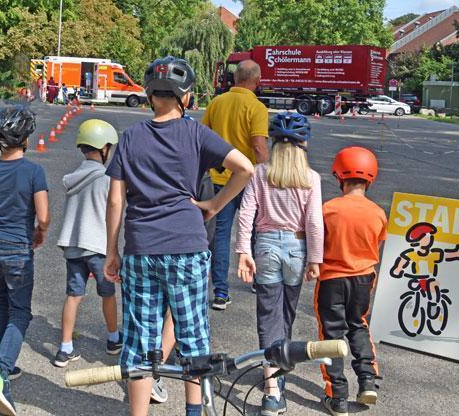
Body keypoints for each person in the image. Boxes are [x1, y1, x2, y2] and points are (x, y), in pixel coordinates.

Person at [104, 56, 254, 416]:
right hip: (187, 246)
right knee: (193, 336)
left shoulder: (130, 137)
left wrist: (112, 250)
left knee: (140, 340)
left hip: (142, 248)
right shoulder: (196, 133)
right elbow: (246, 168)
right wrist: (215, 205)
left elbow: (115, 199)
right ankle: (193, 412)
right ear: (185, 96)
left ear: (149, 94)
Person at [236, 112, 323, 415]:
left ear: (273, 143)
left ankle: (272, 390)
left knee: (268, 315)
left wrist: (242, 251)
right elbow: (314, 222)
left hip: (266, 247)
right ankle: (278, 371)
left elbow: (246, 214)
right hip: (297, 249)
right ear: (304, 145)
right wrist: (315, 258)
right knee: (285, 314)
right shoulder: (311, 178)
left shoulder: (260, 173)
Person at [0, 106, 49, 416]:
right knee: (20, 311)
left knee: (3, 300)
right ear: (25, 140)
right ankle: (0, 371)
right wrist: (40, 232)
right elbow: (43, 216)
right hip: (18, 247)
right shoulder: (34, 172)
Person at [314, 146, 386, 416]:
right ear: (371, 178)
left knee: (330, 334)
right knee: (359, 325)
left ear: (339, 175)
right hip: (363, 279)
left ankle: (338, 395)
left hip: (332, 279)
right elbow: (377, 243)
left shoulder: (329, 209)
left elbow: (318, 243)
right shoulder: (378, 212)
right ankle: (367, 380)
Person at [53, 119, 121, 368]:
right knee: (108, 294)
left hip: (72, 245)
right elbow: (112, 210)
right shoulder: (106, 178)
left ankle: (65, 347)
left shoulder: (73, 177)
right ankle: (113, 339)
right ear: (103, 148)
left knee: (73, 295)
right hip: (97, 246)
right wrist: (114, 249)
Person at [202, 59, 269, 310]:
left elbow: (203, 138)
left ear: (234, 79)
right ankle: (257, 280)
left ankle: (220, 292)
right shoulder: (256, 107)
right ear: (257, 80)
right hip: (248, 182)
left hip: (220, 180)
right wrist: (267, 179)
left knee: (221, 235)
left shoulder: (216, 103)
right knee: (256, 231)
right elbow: (259, 147)